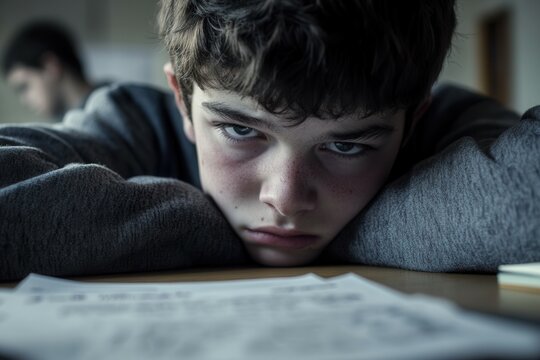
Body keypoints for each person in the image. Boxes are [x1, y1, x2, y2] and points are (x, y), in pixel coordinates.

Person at [0, 0, 538, 281]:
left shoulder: (446, 121)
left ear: (412, 121)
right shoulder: (131, 120)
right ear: (183, 100)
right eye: (239, 130)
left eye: (347, 146)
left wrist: (342, 232)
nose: (283, 198)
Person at [2, 21, 94, 120]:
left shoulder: (106, 108)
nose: (24, 101)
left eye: (24, 86)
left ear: (50, 66)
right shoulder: (72, 121)